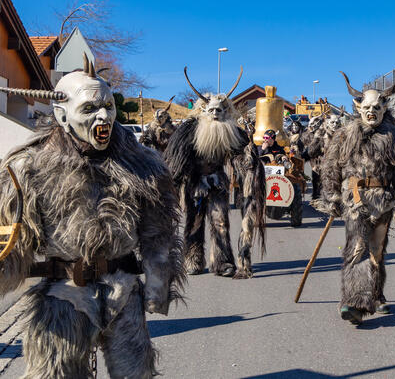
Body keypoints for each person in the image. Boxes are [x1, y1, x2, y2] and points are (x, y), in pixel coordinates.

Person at [0, 54, 185, 378]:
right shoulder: (28, 167)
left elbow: (159, 232)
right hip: (63, 295)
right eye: (89, 109)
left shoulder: (143, 165)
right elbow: (12, 239)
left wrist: (158, 286)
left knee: (134, 374)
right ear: (62, 113)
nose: (104, 117)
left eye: (108, 106)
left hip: (123, 292)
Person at [314, 71, 395, 325]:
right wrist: (331, 196)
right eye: (367, 107)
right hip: (355, 200)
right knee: (357, 247)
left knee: (376, 251)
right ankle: (354, 302)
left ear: (384, 108)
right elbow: (330, 167)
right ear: (358, 108)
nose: (371, 112)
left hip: (383, 200)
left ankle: (377, 294)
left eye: (377, 107)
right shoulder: (345, 135)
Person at [164, 66, 266, 279]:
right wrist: (177, 181)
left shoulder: (232, 132)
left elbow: (241, 158)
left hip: (218, 183)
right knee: (194, 222)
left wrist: (248, 162)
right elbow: (176, 158)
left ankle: (222, 262)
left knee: (221, 221)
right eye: (211, 110)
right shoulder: (190, 131)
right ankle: (193, 259)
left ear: (225, 111)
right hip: (195, 185)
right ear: (204, 111)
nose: (215, 114)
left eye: (219, 110)